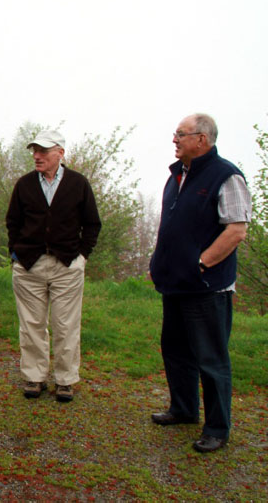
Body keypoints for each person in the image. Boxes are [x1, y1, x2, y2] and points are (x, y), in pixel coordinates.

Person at [149, 113, 251, 453]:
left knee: (211, 358)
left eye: (181, 134)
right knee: (175, 350)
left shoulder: (226, 176)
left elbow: (236, 230)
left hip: (207, 287)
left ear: (202, 140)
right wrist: (159, 262)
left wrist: (201, 263)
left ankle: (217, 428)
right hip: (175, 284)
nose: (174, 139)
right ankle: (184, 409)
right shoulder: (176, 175)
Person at [5, 130, 101, 403]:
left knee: (66, 325)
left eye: (44, 151)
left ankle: (65, 380)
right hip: (29, 266)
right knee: (31, 325)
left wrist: (82, 256)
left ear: (60, 152)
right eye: (35, 151)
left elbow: (92, 223)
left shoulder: (78, 183)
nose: (37, 156)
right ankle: (34, 377)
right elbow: (12, 222)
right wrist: (16, 254)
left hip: (67, 265)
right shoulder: (24, 184)